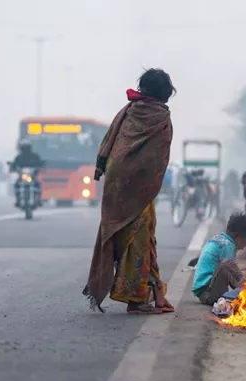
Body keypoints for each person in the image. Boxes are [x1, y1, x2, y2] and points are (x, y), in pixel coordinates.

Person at [82, 68, 176, 315]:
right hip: (140, 186)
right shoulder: (160, 117)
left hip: (116, 183)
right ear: (165, 92)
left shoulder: (128, 112)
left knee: (140, 236)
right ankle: (136, 300)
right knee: (140, 239)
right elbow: (157, 158)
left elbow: (110, 143)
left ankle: (157, 294)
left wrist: (103, 167)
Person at [192, 213, 246, 305]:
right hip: (208, 294)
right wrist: (243, 284)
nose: (244, 247)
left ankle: (245, 290)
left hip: (204, 292)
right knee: (227, 265)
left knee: (231, 268)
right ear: (237, 236)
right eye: (245, 243)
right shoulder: (228, 246)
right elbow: (229, 269)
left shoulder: (219, 239)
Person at [9, 139, 45, 208]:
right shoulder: (19, 157)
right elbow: (14, 165)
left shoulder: (35, 156)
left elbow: (40, 163)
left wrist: (40, 167)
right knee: (17, 185)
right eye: (24, 147)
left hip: (32, 176)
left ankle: (38, 199)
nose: (25, 149)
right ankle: (18, 200)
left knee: (38, 184)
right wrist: (12, 168)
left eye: (27, 147)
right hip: (22, 176)